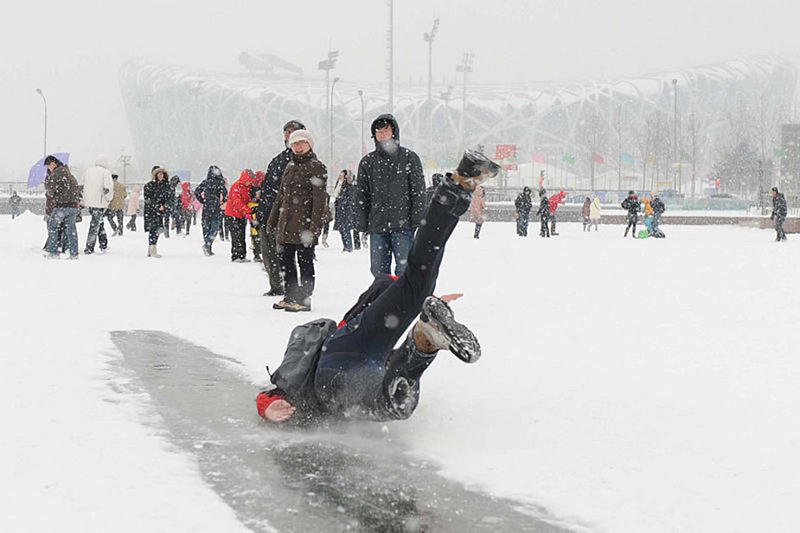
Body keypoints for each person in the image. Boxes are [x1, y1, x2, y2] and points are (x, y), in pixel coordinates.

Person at [255, 150, 500, 425]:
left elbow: (270, 392)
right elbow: (388, 289)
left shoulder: (321, 373)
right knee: (419, 280)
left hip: (340, 363)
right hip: (359, 338)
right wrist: (417, 298)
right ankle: (461, 182)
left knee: (395, 401)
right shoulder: (359, 338)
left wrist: (268, 407)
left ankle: (423, 342)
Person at [355, 114, 426, 278]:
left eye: (385, 130)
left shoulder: (409, 158)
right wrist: (362, 222)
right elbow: (361, 195)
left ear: (394, 131)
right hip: (378, 227)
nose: (382, 134)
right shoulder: (368, 162)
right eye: (378, 131)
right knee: (379, 272)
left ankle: (402, 302)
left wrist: (417, 219)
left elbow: (418, 192)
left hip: (403, 226)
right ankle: (384, 301)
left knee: (404, 271)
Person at [267, 129, 327, 312]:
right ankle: (291, 295)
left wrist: (315, 227)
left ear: (309, 144)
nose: (298, 147)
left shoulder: (316, 166)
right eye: (294, 144)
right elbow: (281, 198)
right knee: (286, 261)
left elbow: (320, 201)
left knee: (305, 261)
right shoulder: (290, 167)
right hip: (287, 224)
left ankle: (304, 298)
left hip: (304, 225)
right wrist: (273, 219)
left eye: (302, 143)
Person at [259, 120, 306, 296]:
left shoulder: (305, 162)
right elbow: (269, 187)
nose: (288, 135)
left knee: (286, 254)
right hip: (269, 212)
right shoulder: (279, 160)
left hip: (289, 215)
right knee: (268, 251)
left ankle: (292, 287)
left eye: (293, 131)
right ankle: (276, 285)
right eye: (286, 132)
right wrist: (262, 209)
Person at [43, 155, 81, 259]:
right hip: (73, 206)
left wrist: (48, 180)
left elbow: (50, 190)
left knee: (52, 226)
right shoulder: (67, 172)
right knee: (71, 229)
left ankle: (53, 252)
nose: (48, 168)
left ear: (53, 163)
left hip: (62, 206)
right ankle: (74, 254)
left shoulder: (57, 173)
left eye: (48, 166)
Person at [81, 157, 114, 255]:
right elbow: (108, 188)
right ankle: (89, 247)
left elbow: (81, 185)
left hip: (89, 201)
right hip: (100, 202)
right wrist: (108, 199)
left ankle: (103, 244)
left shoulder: (88, 171)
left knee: (99, 222)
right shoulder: (106, 172)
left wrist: (85, 197)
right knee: (95, 225)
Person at [225, 169, 258, 262]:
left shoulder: (248, 187)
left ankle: (242, 256)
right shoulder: (237, 186)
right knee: (236, 236)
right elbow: (237, 202)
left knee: (242, 236)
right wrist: (249, 210)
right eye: (248, 180)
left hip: (241, 215)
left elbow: (247, 200)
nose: (249, 182)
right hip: (233, 215)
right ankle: (236, 256)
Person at [194, 165, 228, 256]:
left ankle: (207, 246)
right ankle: (208, 245)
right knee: (214, 228)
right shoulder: (220, 182)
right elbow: (225, 194)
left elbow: (196, 192)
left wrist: (202, 200)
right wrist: (222, 201)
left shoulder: (205, 182)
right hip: (216, 207)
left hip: (207, 207)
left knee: (206, 228)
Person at [144, 167, 172, 258]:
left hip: (161, 212)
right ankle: (152, 249)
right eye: (158, 174)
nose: (160, 175)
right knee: (153, 229)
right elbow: (148, 199)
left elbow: (170, 198)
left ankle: (151, 247)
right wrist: (157, 205)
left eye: (162, 174)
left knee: (157, 230)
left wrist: (165, 206)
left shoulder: (167, 186)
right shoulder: (149, 185)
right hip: (151, 211)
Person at [333, 169, 357, 252]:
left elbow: (351, 197)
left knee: (346, 229)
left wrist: (344, 201)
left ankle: (349, 246)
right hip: (340, 209)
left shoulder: (349, 185)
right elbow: (335, 194)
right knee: (341, 229)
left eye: (342, 175)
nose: (340, 176)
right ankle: (345, 245)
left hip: (346, 209)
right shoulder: (339, 184)